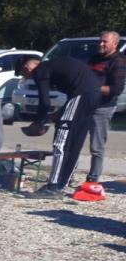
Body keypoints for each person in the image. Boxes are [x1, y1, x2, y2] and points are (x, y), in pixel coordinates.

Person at [15, 54, 100, 196]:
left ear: (27, 68)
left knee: (62, 142)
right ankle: (61, 185)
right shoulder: (55, 65)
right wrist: (57, 114)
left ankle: (53, 186)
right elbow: (72, 92)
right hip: (94, 95)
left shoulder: (41, 70)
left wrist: (38, 122)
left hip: (81, 94)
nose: (28, 78)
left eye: (24, 74)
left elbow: (45, 101)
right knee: (74, 143)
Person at [86, 31, 125, 183]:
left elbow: (116, 89)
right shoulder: (94, 58)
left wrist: (94, 88)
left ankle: (93, 178)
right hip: (85, 104)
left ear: (115, 44)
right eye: (100, 41)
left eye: (105, 42)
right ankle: (67, 175)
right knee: (74, 141)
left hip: (103, 107)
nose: (101, 44)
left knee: (96, 145)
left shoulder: (118, 61)